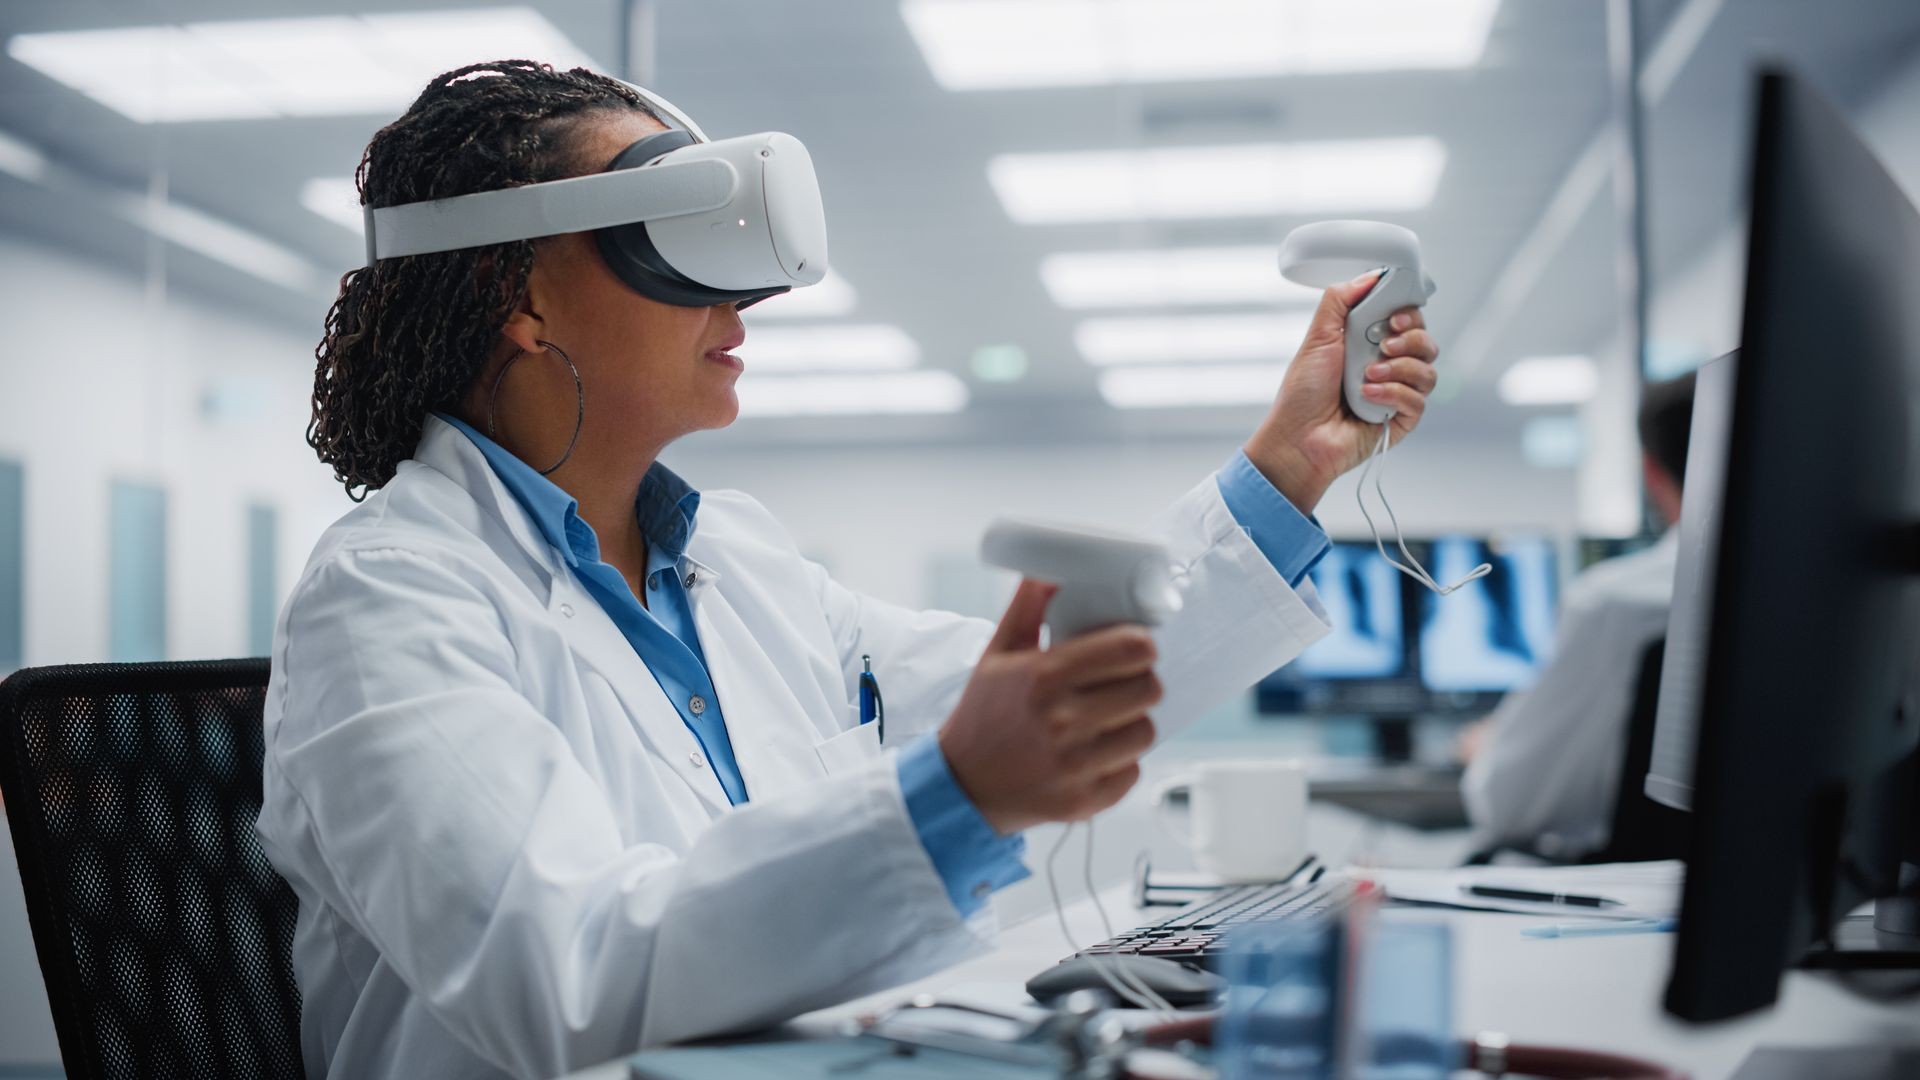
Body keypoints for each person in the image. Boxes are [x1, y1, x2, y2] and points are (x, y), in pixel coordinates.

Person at [256, 61, 1443, 1080]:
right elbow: (566, 980)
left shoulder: (739, 561)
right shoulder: (387, 599)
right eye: (668, 231)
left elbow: (1049, 690)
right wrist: (954, 797)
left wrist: (1289, 465)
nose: (745, 291)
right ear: (512, 292)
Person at [1459, 371, 1698, 859]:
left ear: (1651, 473)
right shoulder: (1844, 592)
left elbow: (1507, 806)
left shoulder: (1615, 604)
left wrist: (1487, 750)